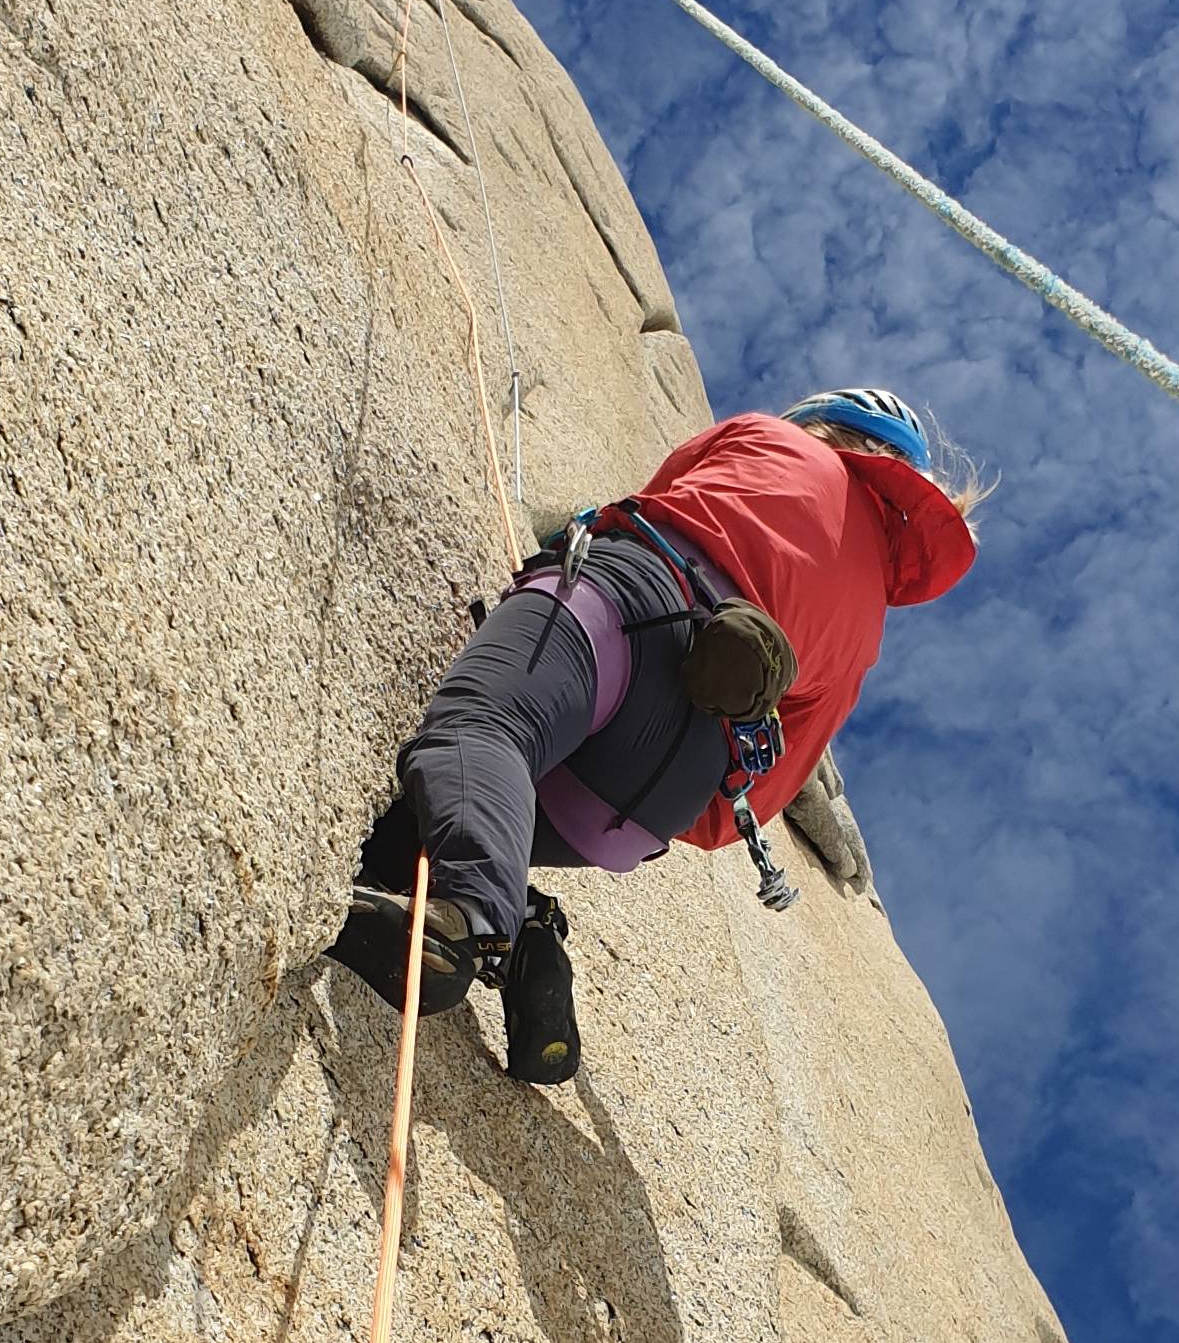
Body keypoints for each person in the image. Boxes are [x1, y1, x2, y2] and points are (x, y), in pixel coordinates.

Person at [328, 387, 985, 1082]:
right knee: (427, 829)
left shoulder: (773, 438)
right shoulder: (864, 636)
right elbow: (763, 791)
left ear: (827, 426)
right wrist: (669, 805)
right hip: (652, 793)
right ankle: (525, 930)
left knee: (483, 732)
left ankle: (469, 926)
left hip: (634, 607)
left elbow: (657, 498)